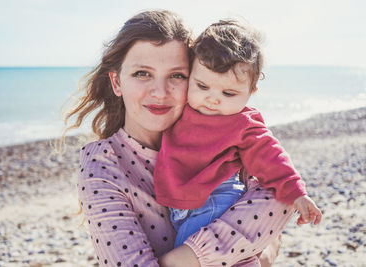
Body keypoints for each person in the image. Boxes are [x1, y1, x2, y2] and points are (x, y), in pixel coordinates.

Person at [66, 10, 301, 266]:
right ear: (117, 82)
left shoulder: (224, 134)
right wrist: (245, 249)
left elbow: (281, 196)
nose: (160, 92)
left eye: (177, 75)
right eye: (142, 73)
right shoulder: (103, 165)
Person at [154, 19, 323, 249]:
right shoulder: (181, 107)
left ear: (251, 92)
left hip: (216, 200)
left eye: (229, 93)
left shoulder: (242, 123)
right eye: (202, 86)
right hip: (180, 205)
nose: (212, 98)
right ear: (189, 75)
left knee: (189, 258)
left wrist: (297, 194)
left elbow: (271, 157)